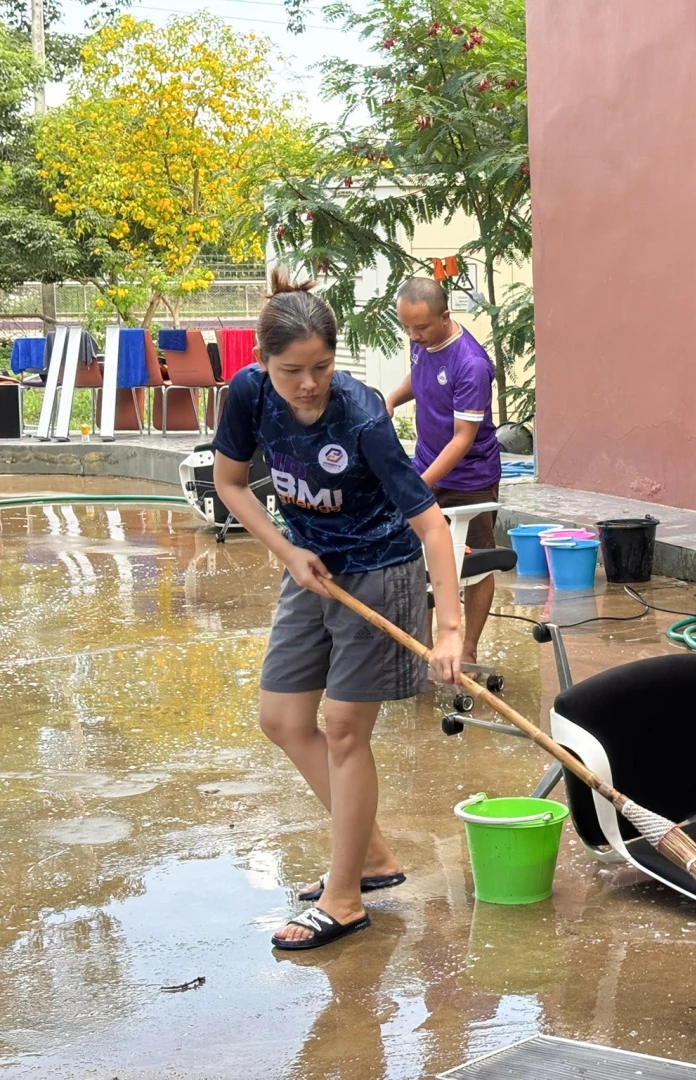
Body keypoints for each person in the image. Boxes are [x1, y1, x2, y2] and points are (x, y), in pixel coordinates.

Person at [213, 269, 464, 951]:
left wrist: (448, 629)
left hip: (380, 573)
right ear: (265, 362)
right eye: (292, 370)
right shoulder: (247, 393)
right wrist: (286, 551)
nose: (308, 384)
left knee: (345, 731)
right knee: (282, 719)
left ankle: (345, 896)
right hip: (311, 568)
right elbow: (229, 484)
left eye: (321, 367)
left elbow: (430, 523)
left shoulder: (360, 415)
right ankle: (373, 856)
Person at [386, 277, 502, 666]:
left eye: (420, 327)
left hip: (471, 481)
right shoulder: (423, 341)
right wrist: (391, 400)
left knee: (476, 564)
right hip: (426, 466)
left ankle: (466, 650)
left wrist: (417, 486)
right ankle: (426, 651)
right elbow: (419, 378)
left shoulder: (470, 364)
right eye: (406, 327)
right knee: (419, 560)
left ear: (445, 316)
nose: (413, 336)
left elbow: (462, 440)